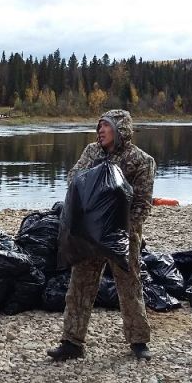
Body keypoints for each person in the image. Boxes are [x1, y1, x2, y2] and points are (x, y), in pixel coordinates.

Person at [47, 109, 156, 361]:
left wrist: (123, 231)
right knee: (79, 285)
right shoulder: (91, 152)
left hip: (121, 236)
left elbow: (142, 204)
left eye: (105, 126)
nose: (100, 131)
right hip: (89, 233)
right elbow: (73, 179)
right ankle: (72, 342)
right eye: (99, 126)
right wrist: (96, 176)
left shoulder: (141, 160)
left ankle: (138, 341)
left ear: (121, 130)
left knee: (130, 287)